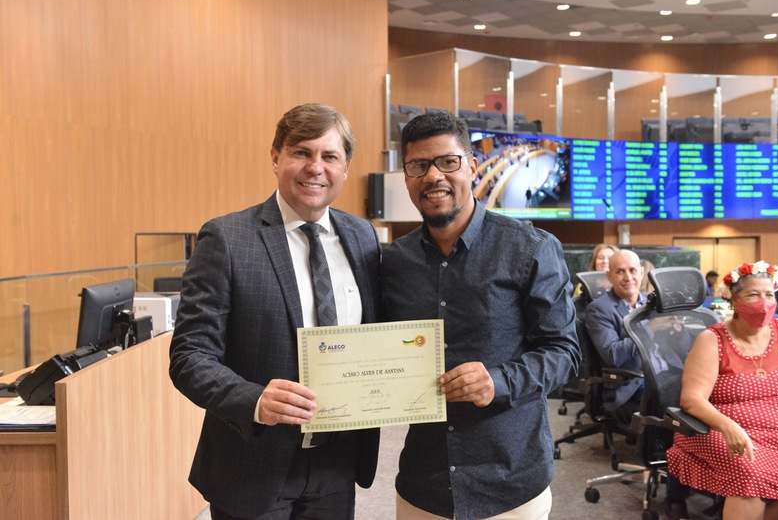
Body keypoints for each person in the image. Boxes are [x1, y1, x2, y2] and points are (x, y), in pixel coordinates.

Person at [169, 103, 380, 520]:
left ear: (346, 167)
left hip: (336, 464)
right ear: (275, 158)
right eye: (302, 152)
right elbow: (189, 357)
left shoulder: (363, 237)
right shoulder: (227, 239)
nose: (315, 168)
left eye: (329, 156)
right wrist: (254, 400)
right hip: (253, 464)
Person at [381, 111, 580, 520]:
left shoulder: (530, 248)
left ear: (472, 167)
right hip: (424, 484)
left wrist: (499, 381)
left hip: (510, 485)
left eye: (448, 161)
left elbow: (564, 353)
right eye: (419, 165)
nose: (433, 175)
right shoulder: (392, 262)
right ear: (406, 177)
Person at [668, 261, 778, 520]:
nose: (764, 303)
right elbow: (691, 400)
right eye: (753, 295)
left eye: (769, 294)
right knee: (750, 476)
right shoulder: (712, 340)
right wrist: (728, 427)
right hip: (723, 431)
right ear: (734, 300)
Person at [584, 249, 648, 424]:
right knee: (676, 403)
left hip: (663, 375)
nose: (628, 277)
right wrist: (649, 329)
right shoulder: (599, 309)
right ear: (609, 276)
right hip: (631, 386)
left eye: (633, 270)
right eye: (620, 272)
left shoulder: (652, 303)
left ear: (642, 273)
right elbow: (613, 354)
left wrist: (677, 331)